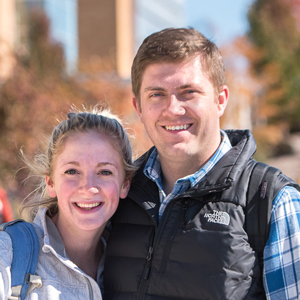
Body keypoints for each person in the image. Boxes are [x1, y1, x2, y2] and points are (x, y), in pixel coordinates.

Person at [103, 28, 300, 300]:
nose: (173, 108)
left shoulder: (273, 201)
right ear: (138, 107)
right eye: (157, 94)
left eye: (188, 92)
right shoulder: (117, 193)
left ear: (220, 100)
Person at [0, 108, 135, 300]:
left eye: (104, 172)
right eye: (72, 171)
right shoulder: (7, 253)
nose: (88, 187)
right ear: (50, 182)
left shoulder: (135, 266)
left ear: (125, 184)